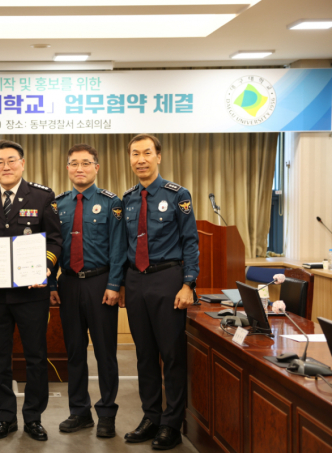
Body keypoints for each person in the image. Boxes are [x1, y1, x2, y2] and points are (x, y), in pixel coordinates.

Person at [0, 139, 62, 442]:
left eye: (12, 160)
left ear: (22, 163)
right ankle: (5, 418)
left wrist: (45, 267)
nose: (6, 166)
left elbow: (54, 239)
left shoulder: (42, 195)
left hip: (31, 293)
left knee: (35, 357)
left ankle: (33, 418)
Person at [122, 134, 199, 450]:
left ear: (159, 157)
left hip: (168, 279)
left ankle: (171, 424)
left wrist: (188, 284)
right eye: (134, 154)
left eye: (146, 153)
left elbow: (190, 241)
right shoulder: (127, 199)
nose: (140, 159)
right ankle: (151, 417)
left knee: (171, 355)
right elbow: (124, 245)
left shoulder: (178, 195)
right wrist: (121, 284)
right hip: (135, 281)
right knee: (144, 355)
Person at [48, 143, 127, 438]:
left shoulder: (111, 203)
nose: (79, 168)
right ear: (67, 168)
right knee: (74, 353)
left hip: (100, 283)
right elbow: (53, 247)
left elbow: (118, 248)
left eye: (85, 163)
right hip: (68, 283)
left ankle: (107, 413)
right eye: (74, 163)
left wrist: (114, 284)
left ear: (96, 167)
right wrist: (52, 284)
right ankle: (79, 412)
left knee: (106, 353)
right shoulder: (57, 205)